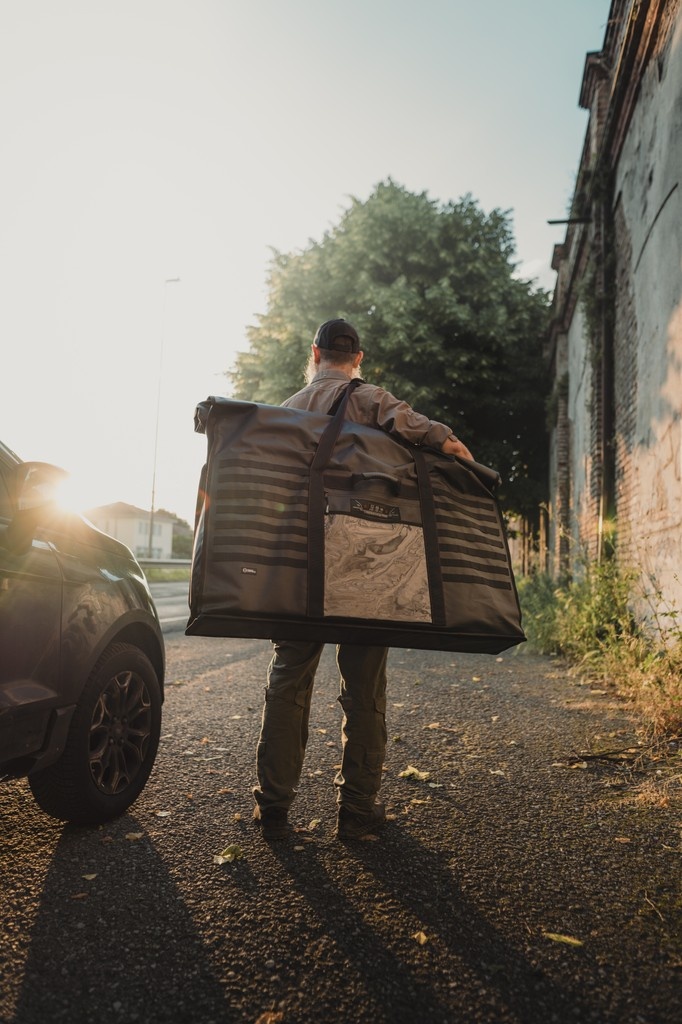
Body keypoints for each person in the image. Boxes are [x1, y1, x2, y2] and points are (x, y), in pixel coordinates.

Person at [253, 318, 473, 840]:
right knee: (365, 690)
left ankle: (274, 810)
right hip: (366, 567)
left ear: (314, 353)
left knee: (288, 681)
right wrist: (470, 473)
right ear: (358, 358)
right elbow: (442, 443)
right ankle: (356, 813)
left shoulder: (287, 410)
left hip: (301, 571)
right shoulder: (374, 401)